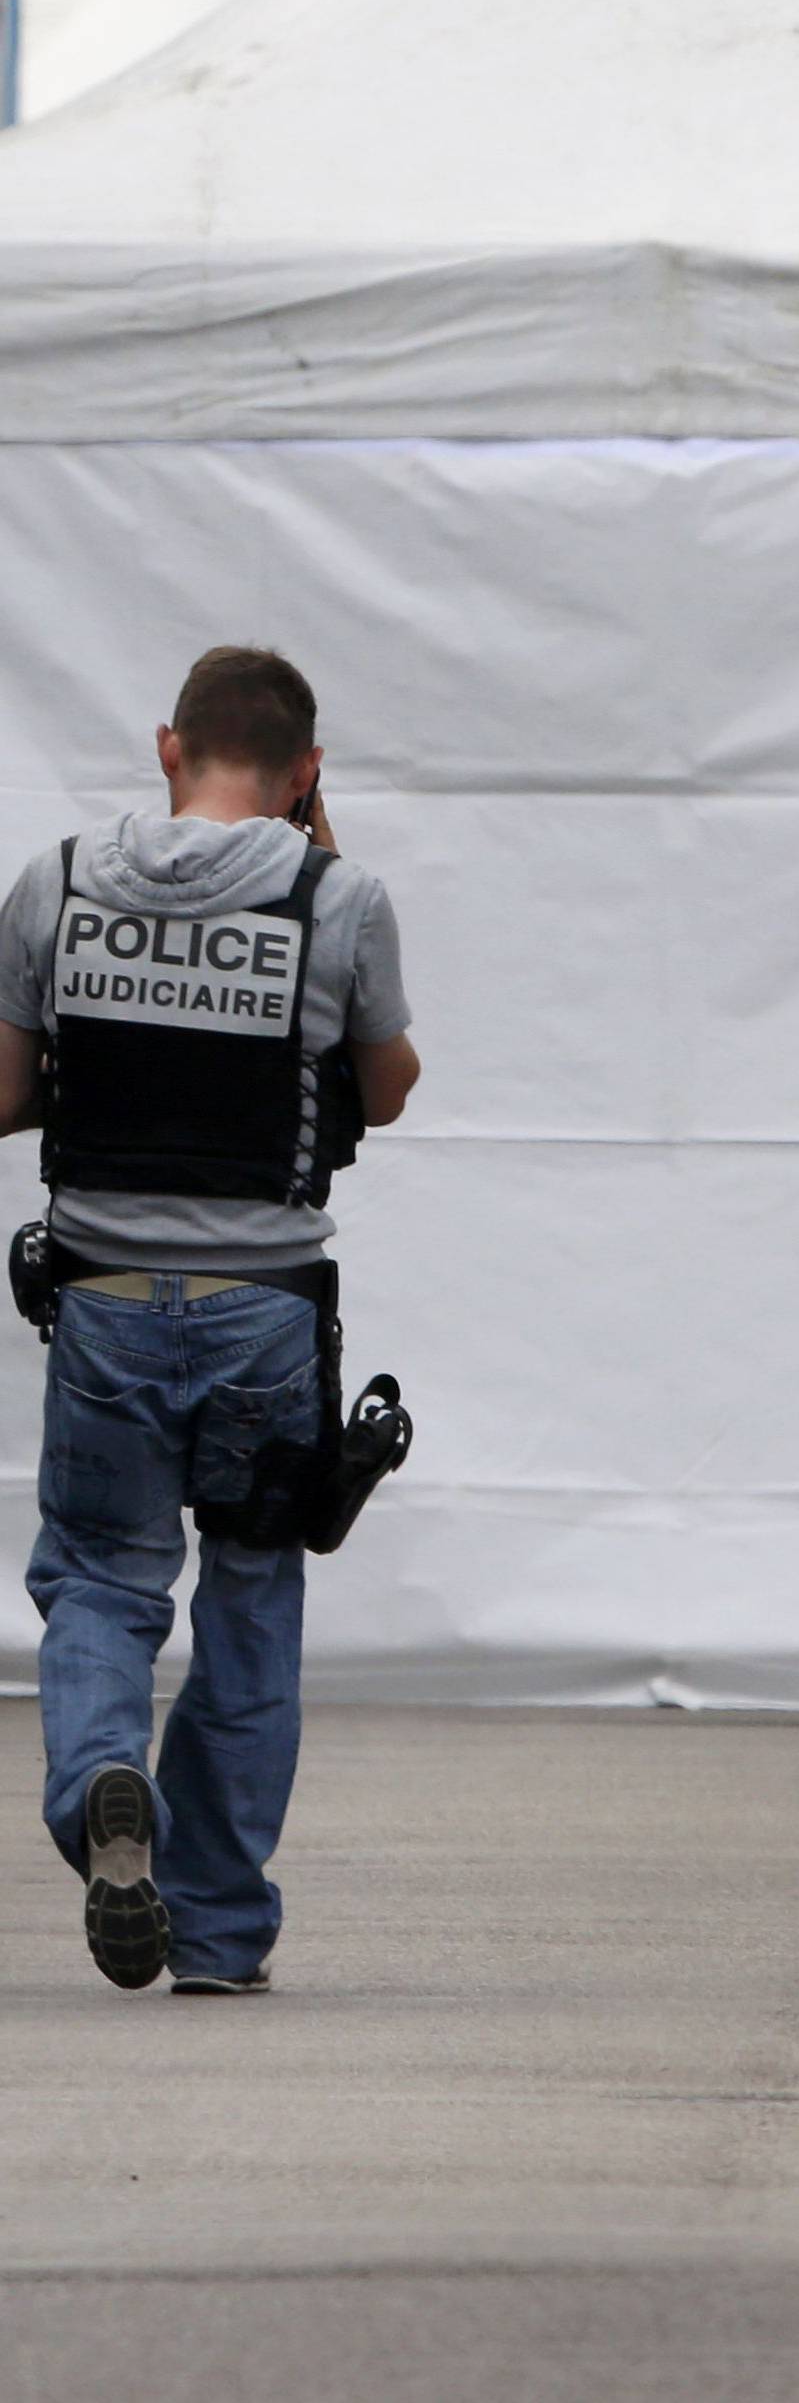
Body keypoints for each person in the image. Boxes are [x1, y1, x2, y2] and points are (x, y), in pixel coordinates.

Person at [0, 647, 419, 1995]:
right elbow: (389, 1088)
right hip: (268, 1321)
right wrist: (322, 874)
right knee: (248, 1602)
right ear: (304, 774)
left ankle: (104, 1782)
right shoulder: (338, 895)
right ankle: (221, 1933)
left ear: (168, 747)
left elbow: (6, 1094)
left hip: (105, 1303)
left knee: (101, 1581)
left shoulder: (55, 883)